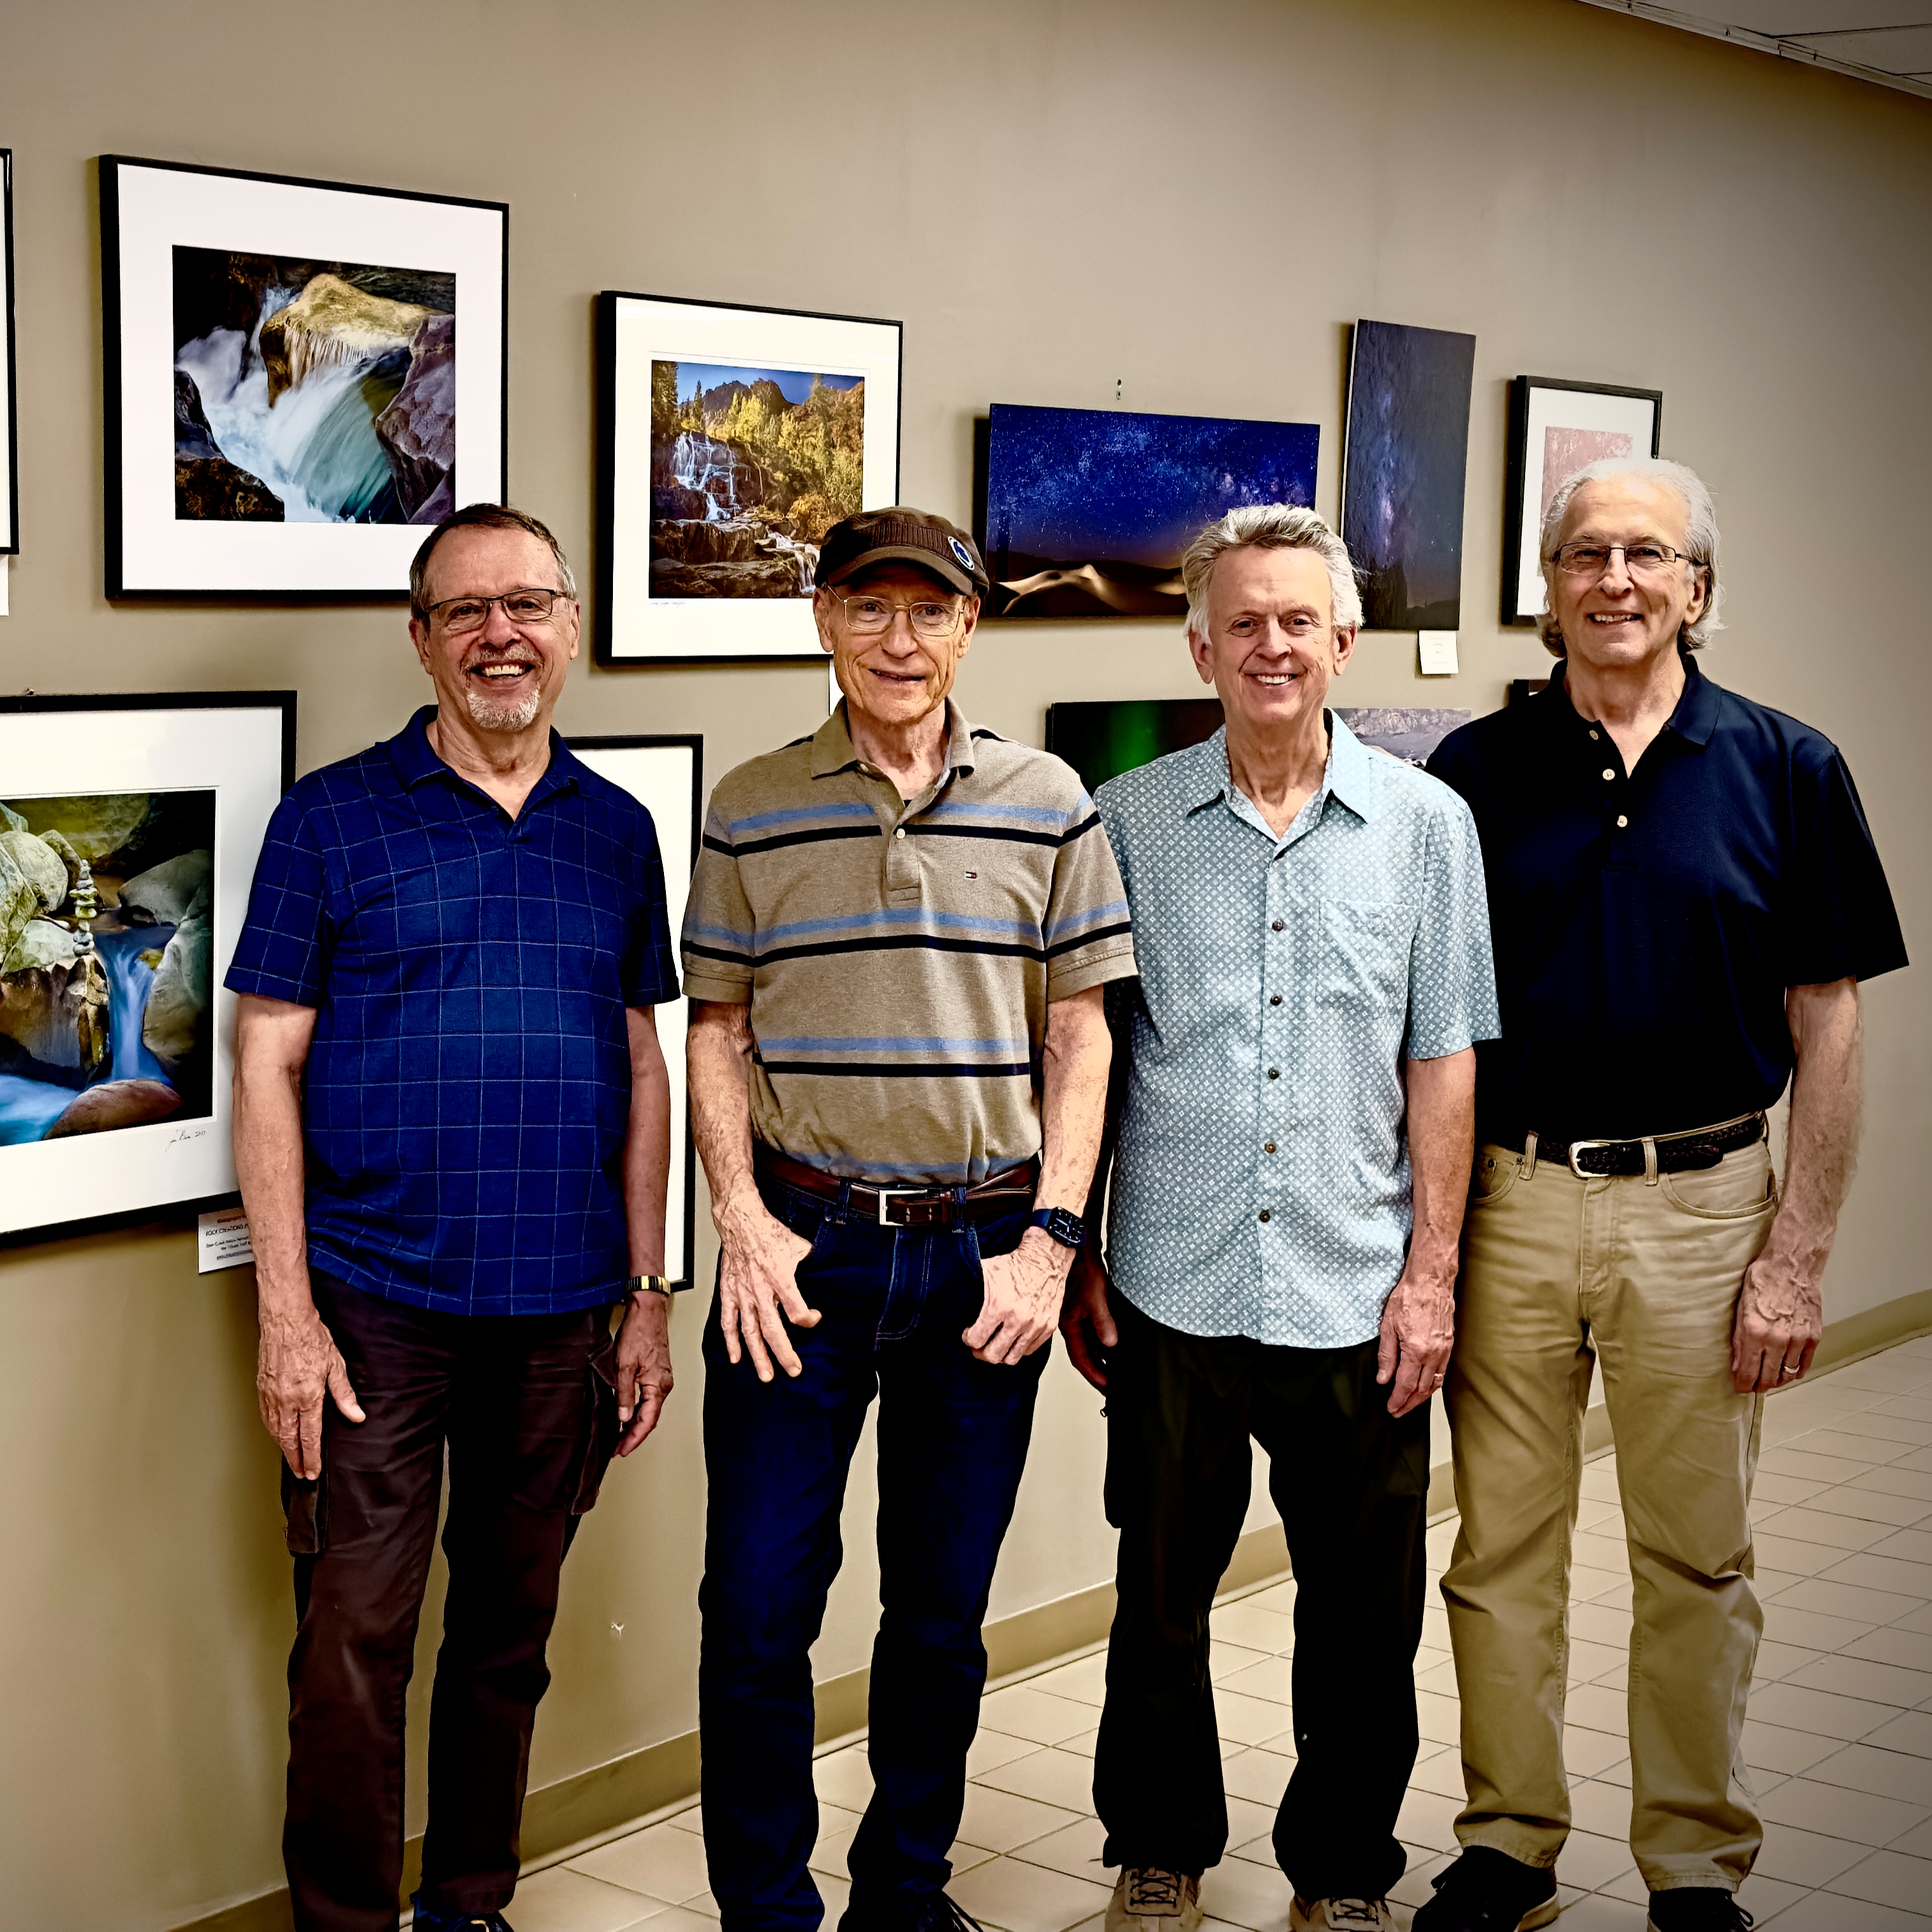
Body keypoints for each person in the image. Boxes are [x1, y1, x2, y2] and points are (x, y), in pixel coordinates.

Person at [1419, 457, 1908, 1932]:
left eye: (1643, 554)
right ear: (1549, 585)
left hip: (1705, 1207)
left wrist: (1795, 1256)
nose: (1611, 579)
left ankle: (1692, 1865)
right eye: (1582, 554)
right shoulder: (1473, 772)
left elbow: (1826, 1020)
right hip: (1511, 1195)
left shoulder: (1785, 765)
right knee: (1497, 1550)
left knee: (1693, 1556)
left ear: (1695, 588)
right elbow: (1430, 1021)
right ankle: (1507, 1842)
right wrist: (1426, 1244)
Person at [227, 504, 681, 1932]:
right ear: (420, 637)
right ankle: (347, 1921)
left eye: (529, 604)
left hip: (561, 1315)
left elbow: (643, 1056)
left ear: (568, 628)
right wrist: (286, 1318)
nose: (503, 634)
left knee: (507, 1634)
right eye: (468, 609)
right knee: (352, 1641)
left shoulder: (614, 830)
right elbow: (266, 1064)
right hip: (372, 1311)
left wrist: (650, 1290)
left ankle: (468, 1901)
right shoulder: (331, 818)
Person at [683, 506, 1133, 1932]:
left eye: (927, 610)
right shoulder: (750, 802)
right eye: (869, 607)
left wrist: (1052, 1240)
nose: (898, 637)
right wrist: (738, 1219)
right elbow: (714, 1027)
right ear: (821, 618)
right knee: (756, 1609)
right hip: (797, 1253)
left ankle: (904, 1892)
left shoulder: (1050, 797)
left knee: (937, 1614)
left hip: (983, 1254)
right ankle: (765, 1908)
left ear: (966, 625)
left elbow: (1081, 1034)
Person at [1063, 504, 1500, 1932]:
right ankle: (1160, 1841)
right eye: (1241, 621)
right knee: (1158, 1594)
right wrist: (1080, 1247)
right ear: (1200, 644)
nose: (1269, 645)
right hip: (1171, 1282)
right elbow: (1094, 1056)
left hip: (1353, 1278)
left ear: (1341, 642)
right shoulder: (1125, 819)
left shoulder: (1428, 826)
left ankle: (1341, 1871)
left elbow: (1443, 1058)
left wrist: (1429, 1275)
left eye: (1295, 621)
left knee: (1359, 1610)